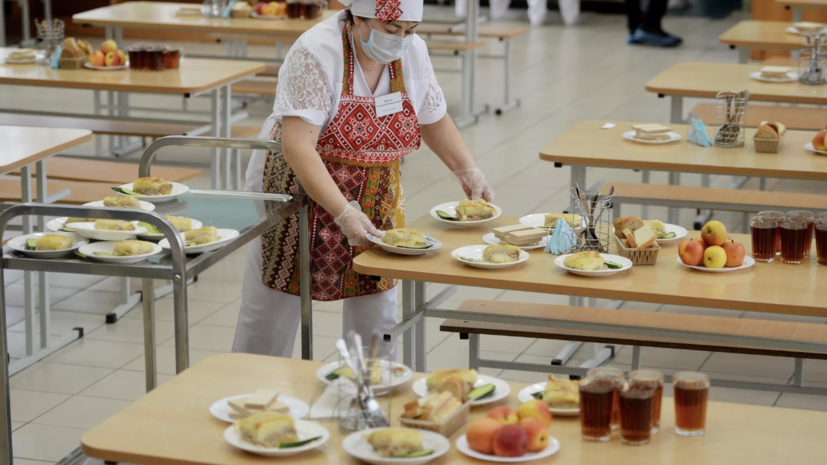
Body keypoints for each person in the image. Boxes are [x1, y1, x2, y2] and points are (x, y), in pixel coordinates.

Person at [233, 0, 494, 359]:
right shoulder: (316, 50)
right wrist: (343, 212)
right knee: (276, 300)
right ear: (358, 16)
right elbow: (298, 147)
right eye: (390, 29)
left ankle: (368, 394)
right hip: (298, 185)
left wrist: (468, 171)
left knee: (377, 296)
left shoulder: (412, 51)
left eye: (409, 30)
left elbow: (432, 118)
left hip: (376, 188)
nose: (400, 39)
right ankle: (254, 398)